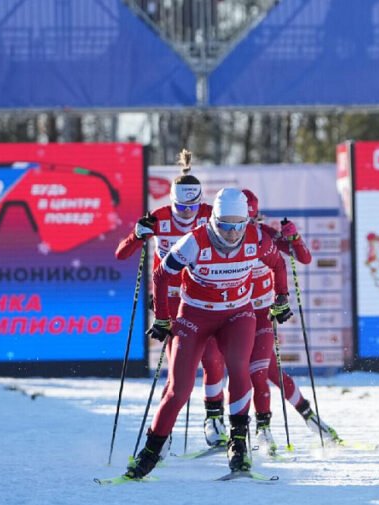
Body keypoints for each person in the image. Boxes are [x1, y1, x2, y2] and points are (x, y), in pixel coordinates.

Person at [125, 189, 290, 479]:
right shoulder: (195, 242)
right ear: (214, 220)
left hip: (237, 314)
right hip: (195, 316)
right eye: (225, 225)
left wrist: (282, 298)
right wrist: (163, 319)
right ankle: (149, 454)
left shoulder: (256, 238)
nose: (231, 233)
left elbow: (278, 263)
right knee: (180, 389)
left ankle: (238, 447)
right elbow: (162, 275)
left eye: (238, 225)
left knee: (240, 369)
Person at [115, 150, 229, 449]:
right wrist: (137, 235)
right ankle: (161, 434)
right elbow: (121, 254)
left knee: (213, 357)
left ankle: (214, 417)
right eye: (180, 206)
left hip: (203, 298)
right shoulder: (160, 217)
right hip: (169, 301)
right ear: (172, 201)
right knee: (178, 371)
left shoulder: (210, 214)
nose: (186, 213)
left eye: (192, 206)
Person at [240, 189, 341, 453]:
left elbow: (304, 258)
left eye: (250, 222)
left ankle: (263, 431)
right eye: (240, 223)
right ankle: (311, 418)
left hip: (261, 313)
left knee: (258, 372)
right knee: (272, 372)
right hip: (234, 316)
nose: (243, 229)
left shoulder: (265, 234)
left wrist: (293, 237)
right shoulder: (221, 239)